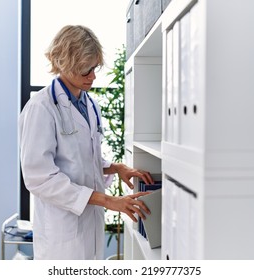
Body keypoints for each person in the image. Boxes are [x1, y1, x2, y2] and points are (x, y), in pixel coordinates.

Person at [18, 25, 154, 260]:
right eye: (84, 71)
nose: (92, 76)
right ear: (64, 64)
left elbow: (83, 159)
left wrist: (115, 167)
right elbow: (39, 178)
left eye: (94, 68)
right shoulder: (41, 108)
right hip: (62, 233)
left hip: (90, 226)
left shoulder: (90, 105)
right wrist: (108, 201)